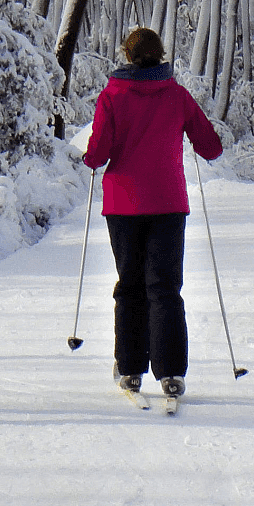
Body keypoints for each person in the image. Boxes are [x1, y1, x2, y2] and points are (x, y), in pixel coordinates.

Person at [82, 27, 223, 400]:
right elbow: (210, 146)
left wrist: (90, 158)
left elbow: (98, 151)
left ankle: (130, 369)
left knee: (129, 285)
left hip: (123, 203)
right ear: (161, 57)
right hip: (167, 204)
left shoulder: (112, 95)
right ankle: (171, 372)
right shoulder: (176, 96)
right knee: (164, 287)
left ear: (127, 57)